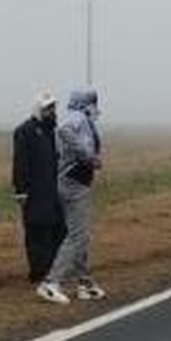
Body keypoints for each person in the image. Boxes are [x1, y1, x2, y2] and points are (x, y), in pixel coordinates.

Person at [38, 87, 106, 304]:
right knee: (77, 236)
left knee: (82, 235)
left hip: (79, 183)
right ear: (85, 103)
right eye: (92, 102)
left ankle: (84, 283)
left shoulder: (85, 121)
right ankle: (51, 282)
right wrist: (88, 156)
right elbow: (64, 131)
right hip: (72, 183)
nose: (95, 106)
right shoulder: (77, 119)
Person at [12, 91, 66, 285]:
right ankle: (38, 273)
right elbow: (20, 163)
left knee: (57, 229)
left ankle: (53, 270)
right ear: (39, 110)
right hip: (33, 192)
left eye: (53, 108)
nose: (52, 112)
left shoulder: (51, 131)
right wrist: (21, 190)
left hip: (52, 190)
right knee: (37, 232)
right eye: (48, 108)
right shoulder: (25, 131)